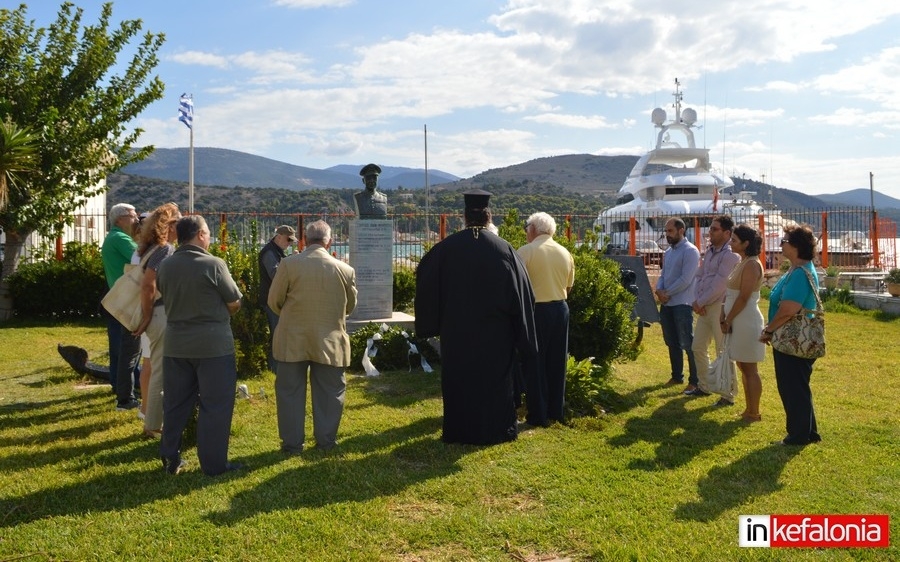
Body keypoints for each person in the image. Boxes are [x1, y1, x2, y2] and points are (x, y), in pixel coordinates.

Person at [415, 189, 538, 445]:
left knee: (460, 380)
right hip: (496, 334)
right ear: (488, 217)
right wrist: (521, 332)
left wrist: (435, 321)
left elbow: (425, 279)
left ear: (463, 216)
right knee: (494, 382)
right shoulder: (504, 250)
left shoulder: (445, 249)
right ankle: (496, 430)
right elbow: (523, 293)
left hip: (457, 332)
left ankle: (459, 431)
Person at [156, 215, 244, 475]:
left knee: (174, 404)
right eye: (207, 232)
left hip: (175, 345)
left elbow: (164, 293)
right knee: (215, 405)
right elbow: (234, 301)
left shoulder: (166, 264)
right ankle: (214, 465)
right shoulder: (213, 264)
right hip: (213, 347)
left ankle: (170, 458)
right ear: (200, 235)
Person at [268, 220, 357, 453]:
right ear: (329, 241)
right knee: (330, 391)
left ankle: (292, 443)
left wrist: (291, 316)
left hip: (292, 338)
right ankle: (326, 441)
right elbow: (350, 306)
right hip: (329, 338)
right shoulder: (345, 270)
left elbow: (274, 301)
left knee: (289, 391)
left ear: (305, 240)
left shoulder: (288, 264)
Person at [760, 225, 822, 446]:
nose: (780, 245)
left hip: (793, 337)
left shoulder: (800, 273)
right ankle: (809, 432)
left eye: (783, 241)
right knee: (798, 386)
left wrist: (769, 330)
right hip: (790, 337)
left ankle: (797, 436)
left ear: (796, 246)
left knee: (792, 387)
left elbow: (788, 309)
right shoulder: (797, 270)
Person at [517, 212, 575, 426]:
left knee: (535, 362)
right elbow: (569, 286)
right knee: (557, 362)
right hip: (561, 308)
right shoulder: (565, 252)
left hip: (537, 311)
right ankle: (555, 411)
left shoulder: (526, 251)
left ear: (533, 229)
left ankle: (538, 414)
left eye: (527, 228)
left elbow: (517, 286)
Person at [132, 203, 181, 439]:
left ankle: (153, 422)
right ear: (169, 226)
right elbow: (148, 284)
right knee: (160, 372)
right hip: (160, 314)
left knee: (157, 368)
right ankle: (152, 426)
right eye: (178, 222)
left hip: (156, 315)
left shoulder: (149, 248)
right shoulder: (165, 249)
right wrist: (149, 314)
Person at [690, 215, 740, 401]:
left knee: (723, 350)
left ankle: (728, 393)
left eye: (714, 229)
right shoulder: (710, 251)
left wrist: (700, 302)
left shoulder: (730, 255)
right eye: (711, 228)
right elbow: (700, 275)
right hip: (704, 305)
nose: (710, 232)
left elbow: (720, 284)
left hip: (719, 307)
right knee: (698, 347)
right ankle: (705, 386)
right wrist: (698, 300)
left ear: (727, 233)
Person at [721, 224, 766, 420]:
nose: (730, 243)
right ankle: (749, 409)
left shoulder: (752, 265)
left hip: (746, 319)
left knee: (749, 368)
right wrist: (724, 315)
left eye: (734, 240)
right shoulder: (743, 261)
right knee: (743, 365)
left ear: (746, 244)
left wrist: (728, 318)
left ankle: (754, 411)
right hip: (738, 318)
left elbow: (744, 297)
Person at [101, 202, 142, 411]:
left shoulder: (114, 237)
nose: (136, 219)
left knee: (119, 347)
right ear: (119, 219)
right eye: (132, 215)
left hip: (116, 298)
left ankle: (119, 385)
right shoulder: (120, 238)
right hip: (125, 299)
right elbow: (141, 258)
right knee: (128, 349)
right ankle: (127, 391)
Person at [655, 217, 701, 391]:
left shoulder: (690, 251)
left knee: (687, 342)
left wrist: (667, 293)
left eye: (670, 231)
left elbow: (686, 279)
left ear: (681, 230)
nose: (667, 235)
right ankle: (676, 376)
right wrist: (659, 290)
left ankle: (695, 380)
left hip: (682, 303)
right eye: (666, 231)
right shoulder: (669, 252)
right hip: (667, 304)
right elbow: (663, 275)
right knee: (671, 341)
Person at [258, 225, 297, 372]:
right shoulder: (269, 252)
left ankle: (278, 365)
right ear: (279, 236)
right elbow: (275, 275)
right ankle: (275, 367)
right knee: (277, 334)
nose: (289, 243)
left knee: (279, 334)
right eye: (288, 240)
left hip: (275, 299)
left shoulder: (276, 251)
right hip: (271, 301)